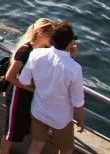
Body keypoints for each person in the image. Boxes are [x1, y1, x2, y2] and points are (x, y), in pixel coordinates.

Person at [20, 20, 85, 154]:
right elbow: (77, 101)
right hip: (61, 118)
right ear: (70, 43)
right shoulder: (74, 68)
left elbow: (24, 80)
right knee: (66, 150)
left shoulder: (36, 54)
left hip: (38, 111)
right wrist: (81, 120)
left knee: (36, 145)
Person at [0, 19, 56, 154]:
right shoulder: (25, 51)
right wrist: (29, 88)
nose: (53, 39)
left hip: (31, 96)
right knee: (10, 132)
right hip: (17, 96)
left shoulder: (45, 51)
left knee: (26, 129)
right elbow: (10, 77)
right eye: (51, 35)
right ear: (41, 32)